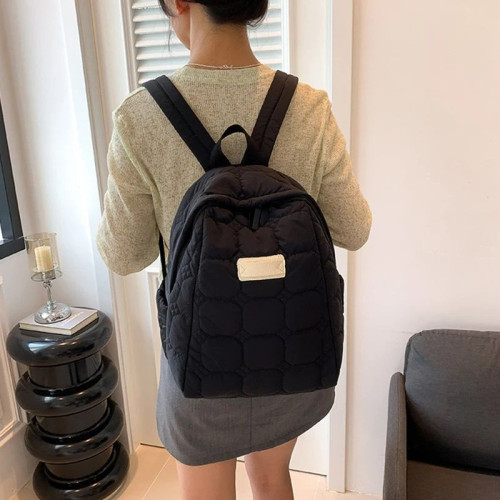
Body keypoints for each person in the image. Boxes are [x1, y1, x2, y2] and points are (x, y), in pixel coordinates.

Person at [96, 0, 372, 498]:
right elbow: (354, 229)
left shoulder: (140, 116)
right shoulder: (308, 106)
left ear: (179, 2)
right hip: (291, 351)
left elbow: (124, 255)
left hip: (199, 362)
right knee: (271, 477)